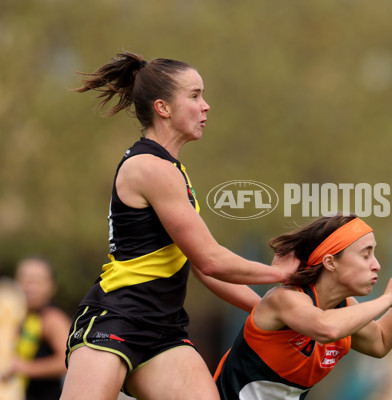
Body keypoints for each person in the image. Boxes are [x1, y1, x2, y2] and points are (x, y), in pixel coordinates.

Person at [59, 51, 298, 400]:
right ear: (163, 108)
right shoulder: (150, 167)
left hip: (163, 331)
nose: (206, 106)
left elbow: (204, 270)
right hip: (115, 318)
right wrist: (282, 275)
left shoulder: (174, 171)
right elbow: (211, 260)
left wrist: (265, 309)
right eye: (195, 95)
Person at [213, 214, 392, 399]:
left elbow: (381, 342)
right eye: (365, 255)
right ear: (330, 262)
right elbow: (326, 328)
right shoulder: (286, 299)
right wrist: (387, 299)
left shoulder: (343, 308)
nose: (376, 265)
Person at [11, 256, 71, 400]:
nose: (30, 287)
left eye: (38, 281)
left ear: (51, 286)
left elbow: (67, 361)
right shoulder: (12, 315)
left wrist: (25, 368)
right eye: (25, 280)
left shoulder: (53, 319)